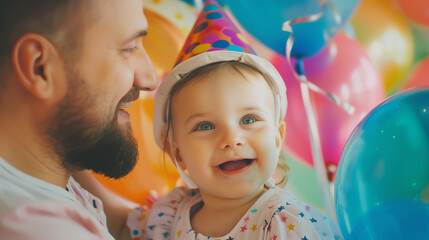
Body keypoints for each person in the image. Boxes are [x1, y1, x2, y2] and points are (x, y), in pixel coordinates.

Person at [127, 1, 344, 239]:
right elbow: (118, 226)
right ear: (177, 153)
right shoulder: (171, 213)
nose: (231, 139)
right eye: (205, 126)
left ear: (277, 137)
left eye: (249, 119)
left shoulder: (285, 222)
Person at [0, 0, 158, 239]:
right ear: (40, 67)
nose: (150, 79)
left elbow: (126, 225)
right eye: (128, 48)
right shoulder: (40, 230)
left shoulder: (53, 157)